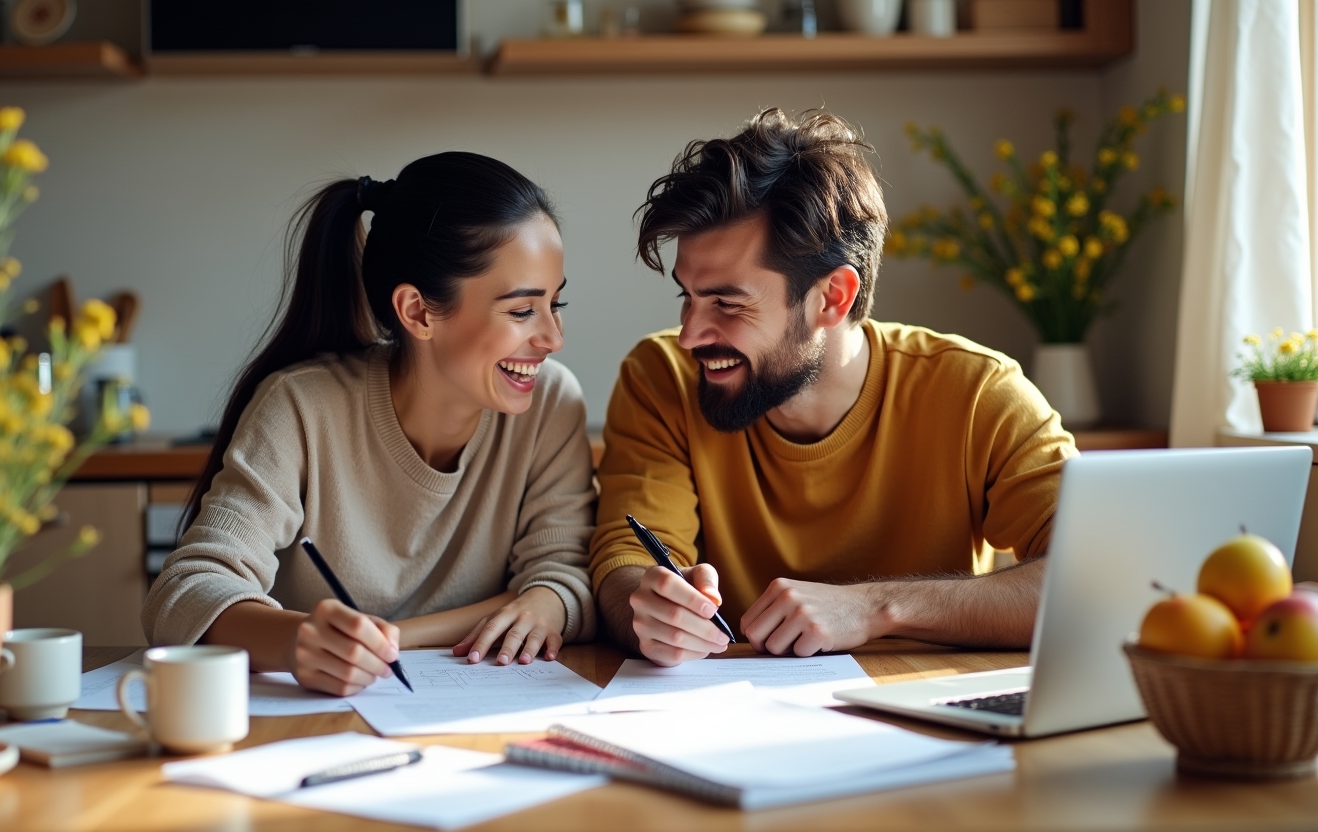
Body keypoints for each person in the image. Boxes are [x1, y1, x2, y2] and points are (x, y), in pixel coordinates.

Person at [590, 109, 1077, 667]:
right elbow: (624, 561)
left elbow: (1101, 576)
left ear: (832, 298)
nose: (690, 336)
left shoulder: (976, 393)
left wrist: (877, 607)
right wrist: (646, 609)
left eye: (727, 303)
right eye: (688, 297)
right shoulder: (661, 379)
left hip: (926, 719)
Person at [143, 152, 597, 696]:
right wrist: (296, 640)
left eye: (556, 302)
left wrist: (544, 601)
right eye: (523, 312)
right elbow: (186, 590)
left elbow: (565, 576)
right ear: (417, 312)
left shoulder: (551, 404)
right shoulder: (301, 407)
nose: (553, 337)